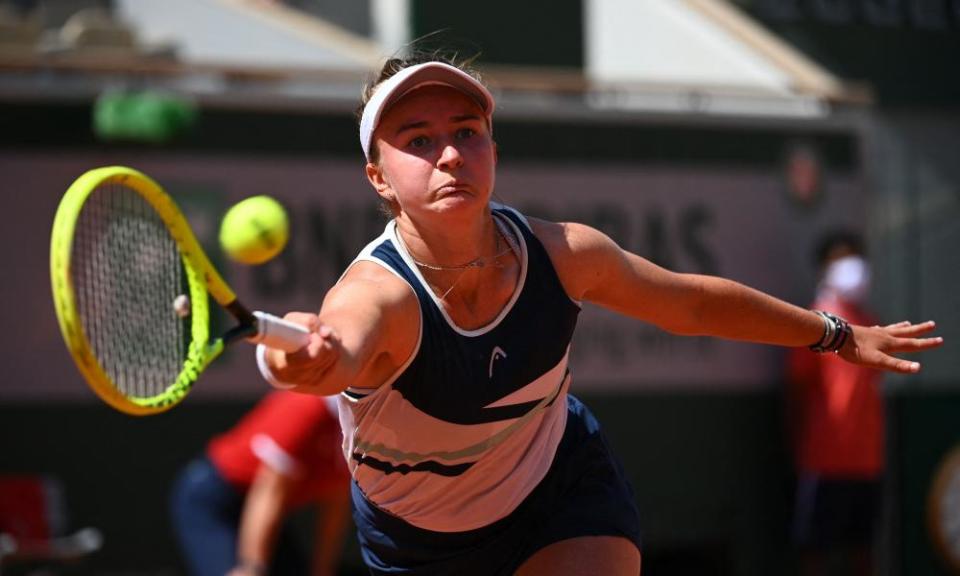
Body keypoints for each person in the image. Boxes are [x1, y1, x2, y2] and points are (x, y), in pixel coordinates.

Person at [256, 53, 942, 576]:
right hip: (419, 542)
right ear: (378, 176)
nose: (451, 155)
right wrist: (297, 355)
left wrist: (837, 333)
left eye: (468, 132)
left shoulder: (564, 254)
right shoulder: (381, 294)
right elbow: (333, 348)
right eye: (418, 141)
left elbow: (692, 301)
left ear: (493, 148)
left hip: (557, 484)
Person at [786, 232, 885, 576]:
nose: (852, 267)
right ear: (825, 268)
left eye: (855, 257)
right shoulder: (812, 322)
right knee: (816, 552)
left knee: (864, 551)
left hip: (867, 462)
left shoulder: (870, 319)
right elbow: (797, 391)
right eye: (842, 259)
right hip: (824, 462)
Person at [170, 391, 351, 576]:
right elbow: (268, 491)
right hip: (213, 499)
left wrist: (322, 570)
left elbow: (336, 497)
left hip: (264, 510)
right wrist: (252, 566)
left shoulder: (361, 422)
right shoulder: (307, 407)